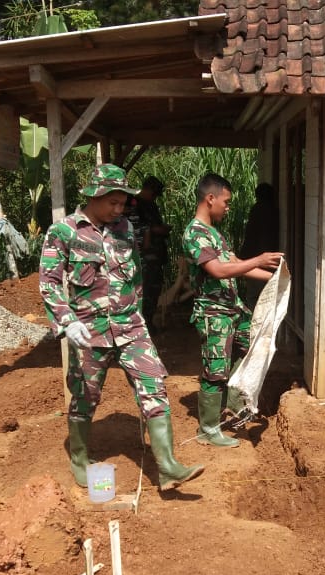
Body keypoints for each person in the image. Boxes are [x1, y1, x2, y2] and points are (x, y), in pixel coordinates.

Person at [39, 164, 203, 491]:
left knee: (153, 383)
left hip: (130, 327)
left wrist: (139, 314)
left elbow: (137, 275)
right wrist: (66, 322)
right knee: (86, 396)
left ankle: (168, 466)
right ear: (94, 196)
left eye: (122, 203)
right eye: (112, 202)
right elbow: (49, 282)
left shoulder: (125, 228)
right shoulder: (64, 232)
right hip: (89, 329)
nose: (119, 209)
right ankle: (80, 460)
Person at [182, 172, 283, 447]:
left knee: (251, 347)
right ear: (210, 198)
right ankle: (208, 430)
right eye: (225, 202)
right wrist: (259, 259)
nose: (228, 207)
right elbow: (218, 270)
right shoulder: (194, 233)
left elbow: (235, 261)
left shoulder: (214, 233)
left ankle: (234, 406)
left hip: (232, 309)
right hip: (213, 313)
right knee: (215, 370)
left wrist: (277, 278)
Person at [127, 175, 170, 333]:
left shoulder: (151, 205)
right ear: (149, 189)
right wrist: (157, 230)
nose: (154, 198)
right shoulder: (133, 204)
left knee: (153, 291)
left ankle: (149, 322)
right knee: (143, 292)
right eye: (154, 194)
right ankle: (141, 326)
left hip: (155, 257)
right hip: (143, 257)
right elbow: (140, 228)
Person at [238, 182, 280, 310]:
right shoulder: (273, 210)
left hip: (255, 257)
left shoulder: (257, 209)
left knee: (254, 295)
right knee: (264, 295)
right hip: (267, 258)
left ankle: (253, 322)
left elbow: (252, 236)